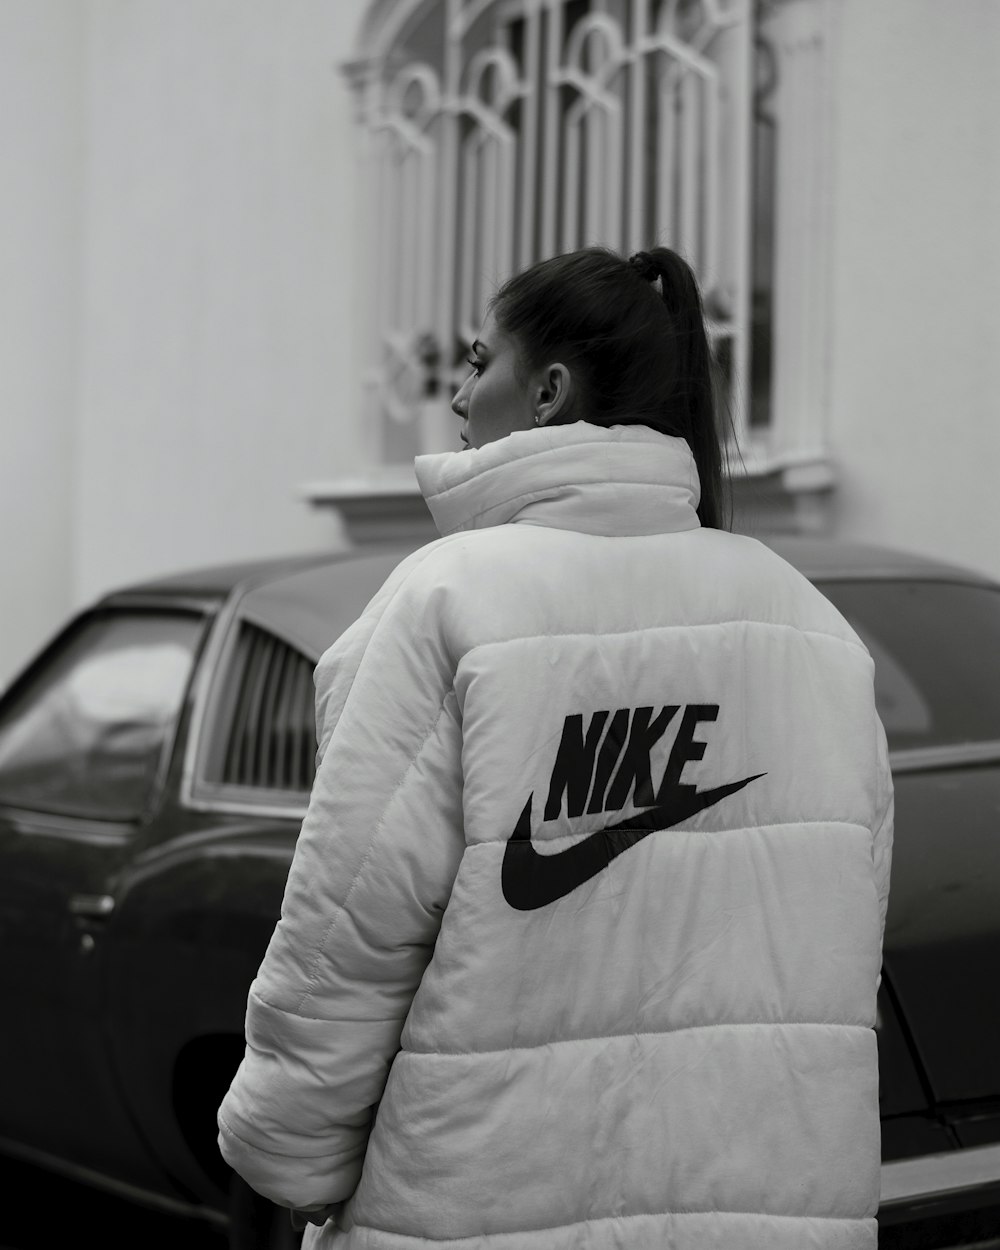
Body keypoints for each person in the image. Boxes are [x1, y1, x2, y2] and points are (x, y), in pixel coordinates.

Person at [218, 245, 893, 1249]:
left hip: (483, 1202)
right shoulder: (810, 627)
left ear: (546, 390)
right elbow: (844, 933)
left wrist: (288, 1147)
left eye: (477, 360)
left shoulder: (447, 599)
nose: (455, 393)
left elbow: (352, 926)